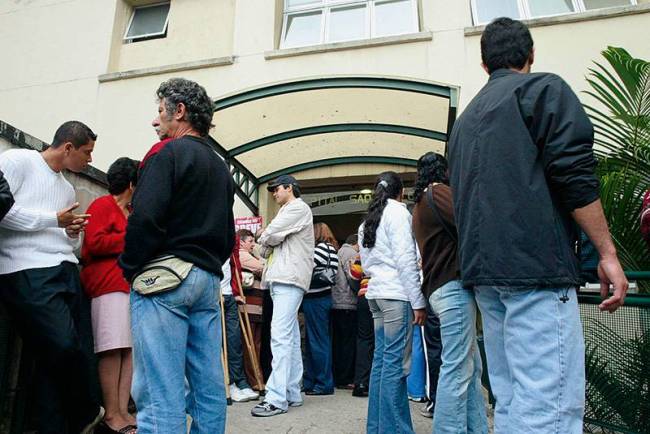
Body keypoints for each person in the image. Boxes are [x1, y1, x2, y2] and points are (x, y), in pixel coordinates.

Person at [448, 18, 628, 433]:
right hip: (535, 270)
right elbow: (575, 176)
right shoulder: (542, 90)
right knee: (550, 406)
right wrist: (608, 254)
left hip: (485, 276)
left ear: (484, 64)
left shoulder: (466, 121)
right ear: (530, 55)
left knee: (511, 400)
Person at [119, 78, 235, 434]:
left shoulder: (167, 153)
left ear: (179, 111)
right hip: (206, 279)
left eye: (160, 111)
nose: (156, 121)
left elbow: (145, 217)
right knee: (208, 388)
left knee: (159, 392)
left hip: (164, 278)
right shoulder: (220, 167)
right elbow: (227, 232)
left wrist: (131, 268)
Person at [0, 120, 103, 434]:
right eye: (87, 153)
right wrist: (53, 219)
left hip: (65, 268)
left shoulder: (68, 187)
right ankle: (87, 411)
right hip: (26, 267)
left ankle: (53, 426)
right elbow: (4, 212)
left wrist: (70, 231)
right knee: (62, 344)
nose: (89, 161)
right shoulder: (18, 161)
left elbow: (64, 239)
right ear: (68, 147)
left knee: (69, 351)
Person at [412, 152, 488, 433]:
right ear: (443, 171)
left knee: (469, 367)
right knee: (458, 368)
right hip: (452, 288)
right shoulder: (440, 194)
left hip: (439, 290)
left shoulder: (419, 205)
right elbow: (470, 222)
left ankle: (476, 429)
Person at [358, 171, 426, 434]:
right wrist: (418, 301)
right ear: (401, 192)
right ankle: (395, 429)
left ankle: (376, 428)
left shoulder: (367, 221)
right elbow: (406, 261)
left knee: (381, 362)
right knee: (395, 365)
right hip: (396, 296)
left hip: (375, 293)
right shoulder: (398, 213)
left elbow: (365, 264)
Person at [81, 157, 140, 434]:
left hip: (128, 287)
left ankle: (123, 410)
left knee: (127, 351)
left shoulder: (131, 211)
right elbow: (92, 244)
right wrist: (129, 240)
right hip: (108, 286)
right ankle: (112, 413)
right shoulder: (103, 205)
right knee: (111, 349)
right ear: (131, 184)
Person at [251, 175, 314, 417]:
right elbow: (266, 245)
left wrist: (267, 234)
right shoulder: (289, 210)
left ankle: (276, 398)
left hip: (288, 278)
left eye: (276, 189)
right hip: (283, 278)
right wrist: (268, 236)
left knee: (280, 336)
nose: (274, 194)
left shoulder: (298, 207)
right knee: (289, 337)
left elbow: (269, 236)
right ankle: (291, 392)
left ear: (289, 188)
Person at [221, 239, 260, 402]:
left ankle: (239, 381)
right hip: (215, 295)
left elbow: (234, 266)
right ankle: (227, 384)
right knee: (219, 343)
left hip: (229, 295)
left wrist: (236, 291)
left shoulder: (231, 241)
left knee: (234, 341)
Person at [302, 222, 338, 396]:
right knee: (317, 340)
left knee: (316, 342)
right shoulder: (332, 249)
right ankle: (313, 381)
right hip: (323, 298)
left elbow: (307, 266)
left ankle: (322, 383)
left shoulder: (321, 248)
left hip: (315, 299)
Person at [236, 228, 266, 389]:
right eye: (250, 241)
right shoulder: (242, 254)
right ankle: (255, 380)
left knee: (255, 344)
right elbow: (264, 268)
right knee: (252, 345)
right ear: (241, 242)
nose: (254, 245)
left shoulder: (249, 254)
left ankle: (256, 379)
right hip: (249, 307)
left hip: (255, 306)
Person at [331, 233, 359, 389]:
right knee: (348, 343)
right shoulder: (351, 253)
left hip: (336, 301)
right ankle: (345, 378)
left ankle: (338, 376)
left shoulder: (339, 251)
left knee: (338, 342)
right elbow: (353, 277)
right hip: (348, 302)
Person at [348, 253, 373, 398]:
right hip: (386, 293)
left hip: (364, 294)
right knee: (382, 341)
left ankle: (361, 383)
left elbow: (355, 273)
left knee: (364, 339)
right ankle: (377, 382)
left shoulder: (365, 247)